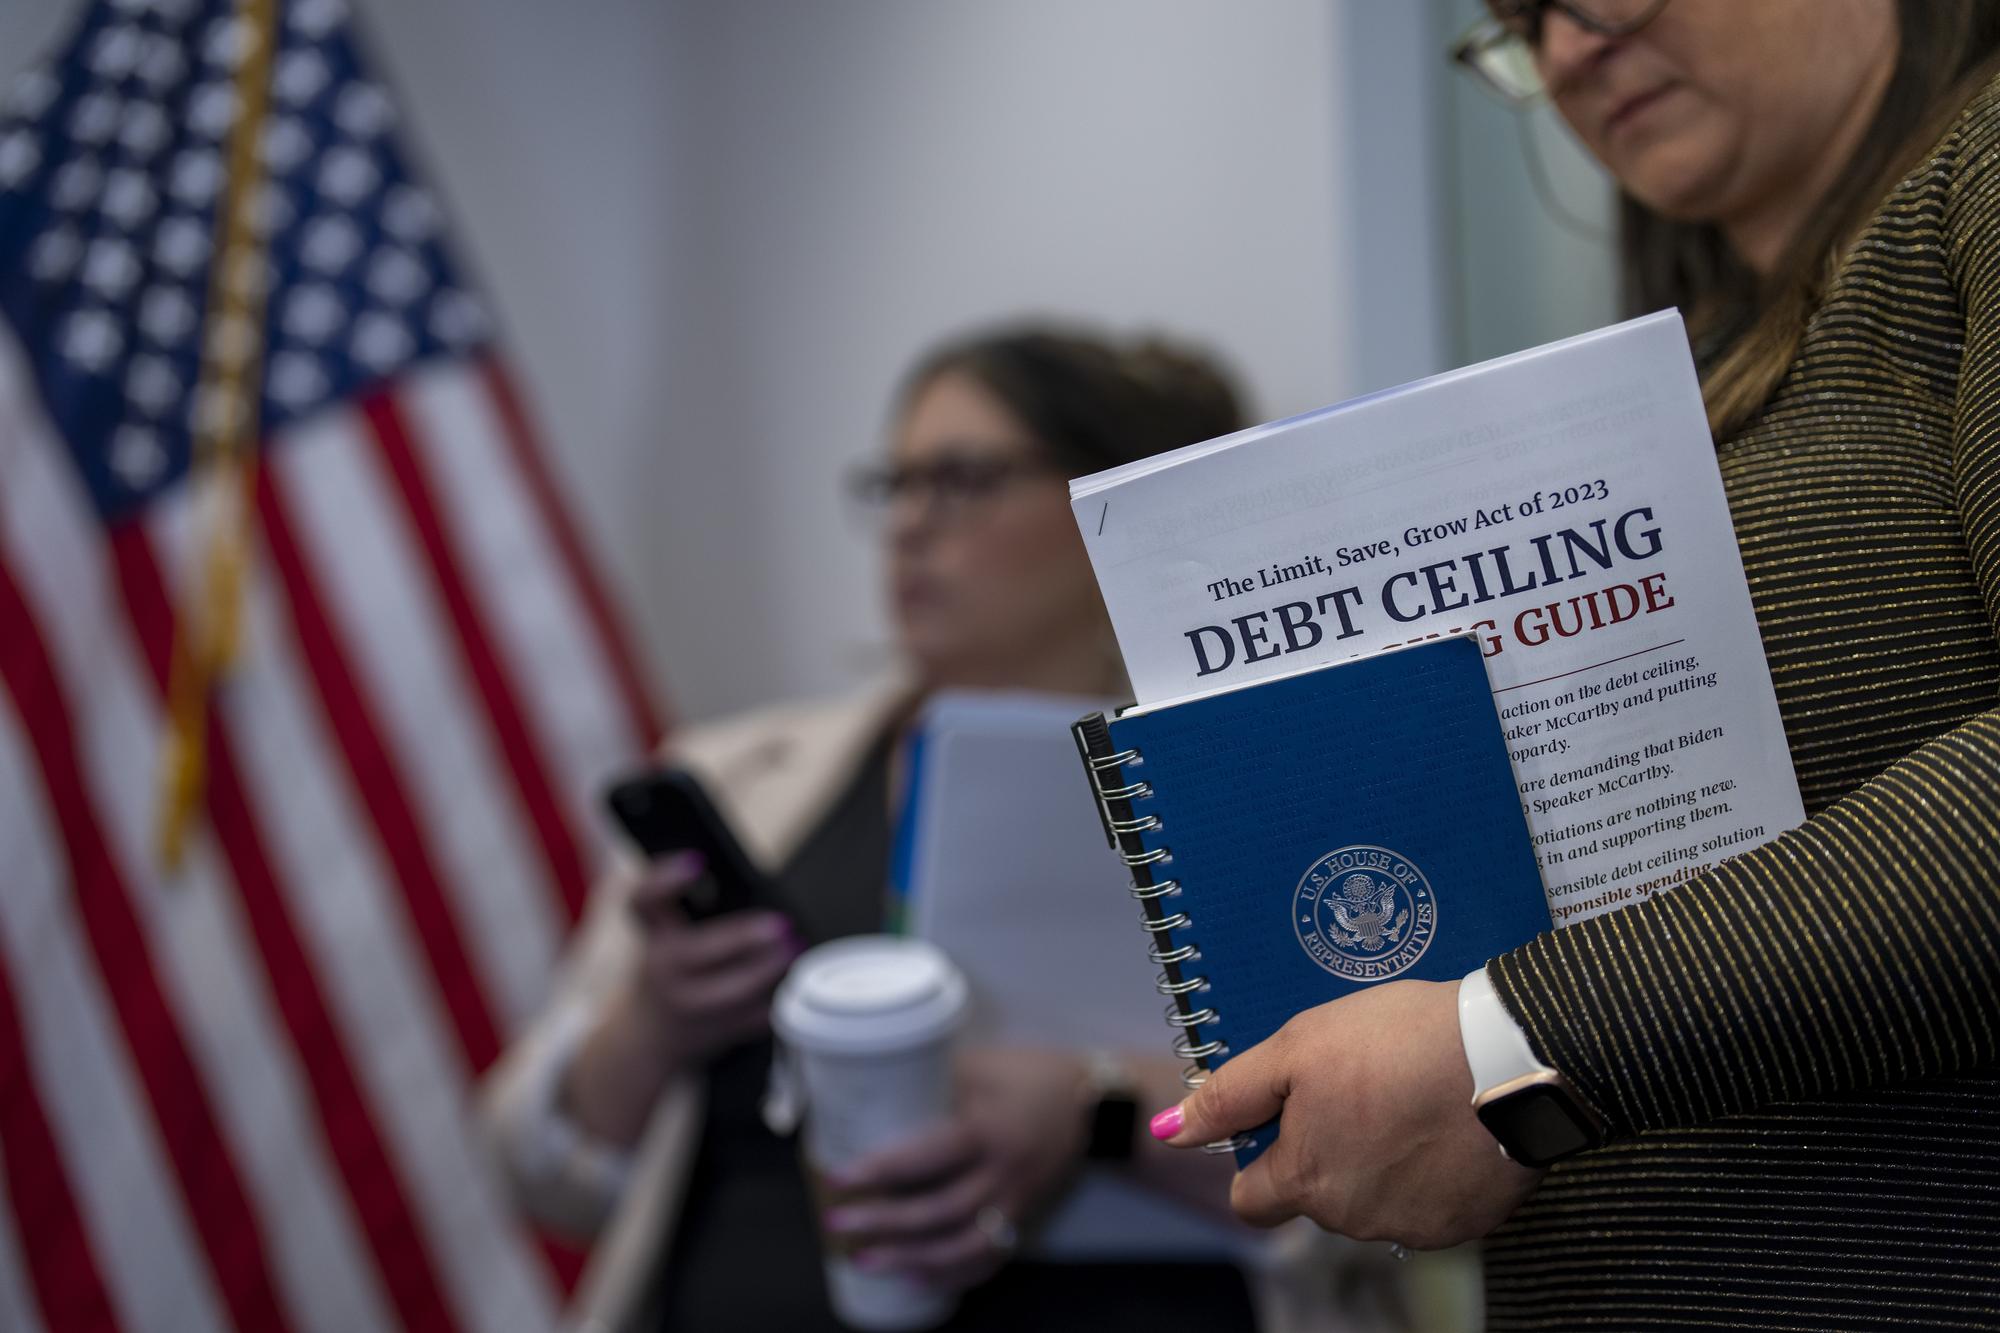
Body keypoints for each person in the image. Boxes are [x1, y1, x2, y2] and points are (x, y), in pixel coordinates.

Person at [1149, 1, 2000, 1328]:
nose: (1568, 50)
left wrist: (1509, 1047)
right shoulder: (1693, 370)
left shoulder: (1982, 170)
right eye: (1521, 21)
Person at [483, 325, 1304, 1332]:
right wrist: (648, 1024)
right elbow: (537, 1174)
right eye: (894, 485)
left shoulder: (1246, 783)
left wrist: (1098, 1112)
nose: (908, 526)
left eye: (961, 480)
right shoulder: (737, 778)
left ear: (1110, 508)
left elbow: (1373, 1179)